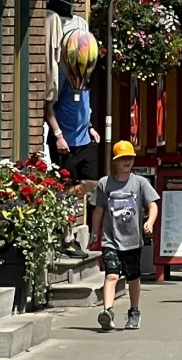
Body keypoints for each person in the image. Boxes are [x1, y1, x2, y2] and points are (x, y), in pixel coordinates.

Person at [89, 141, 159, 331]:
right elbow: (98, 211)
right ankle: (107, 312)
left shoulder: (140, 183)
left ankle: (134, 311)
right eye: (122, 159)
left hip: (132, 240)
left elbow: (153, 204)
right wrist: (94, 233)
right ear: (115, 162)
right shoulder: (105, 184)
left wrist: (150, 222)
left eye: (129, 158)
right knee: (111, 275)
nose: (126, 162)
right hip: (110, 239)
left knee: (133, 278)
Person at [45, 65, 99, 185]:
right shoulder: (62, 76)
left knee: (92, 181)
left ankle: (73, 200)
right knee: (65, 184)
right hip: (65, 143)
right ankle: (68, 201)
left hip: (84, 140)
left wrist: (90, 127)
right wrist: (58, 136)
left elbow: (82, 107)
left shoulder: (85, 78)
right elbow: (49, 108)